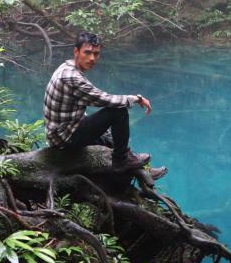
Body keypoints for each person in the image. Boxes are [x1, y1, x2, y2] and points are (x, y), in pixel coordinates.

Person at [43, 32, 165, 177]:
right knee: (118, 111)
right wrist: (137, 98)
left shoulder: (67, 67)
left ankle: (142, 172)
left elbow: (78, 109)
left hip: (67, 130)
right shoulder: (71, 77)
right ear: (76, 52)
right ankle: (121, 160)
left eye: (96, 54)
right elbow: (104, 99)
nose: (92, 58)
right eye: (87, 53)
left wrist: (102, 129)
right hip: (64, 139)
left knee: (111, 137)